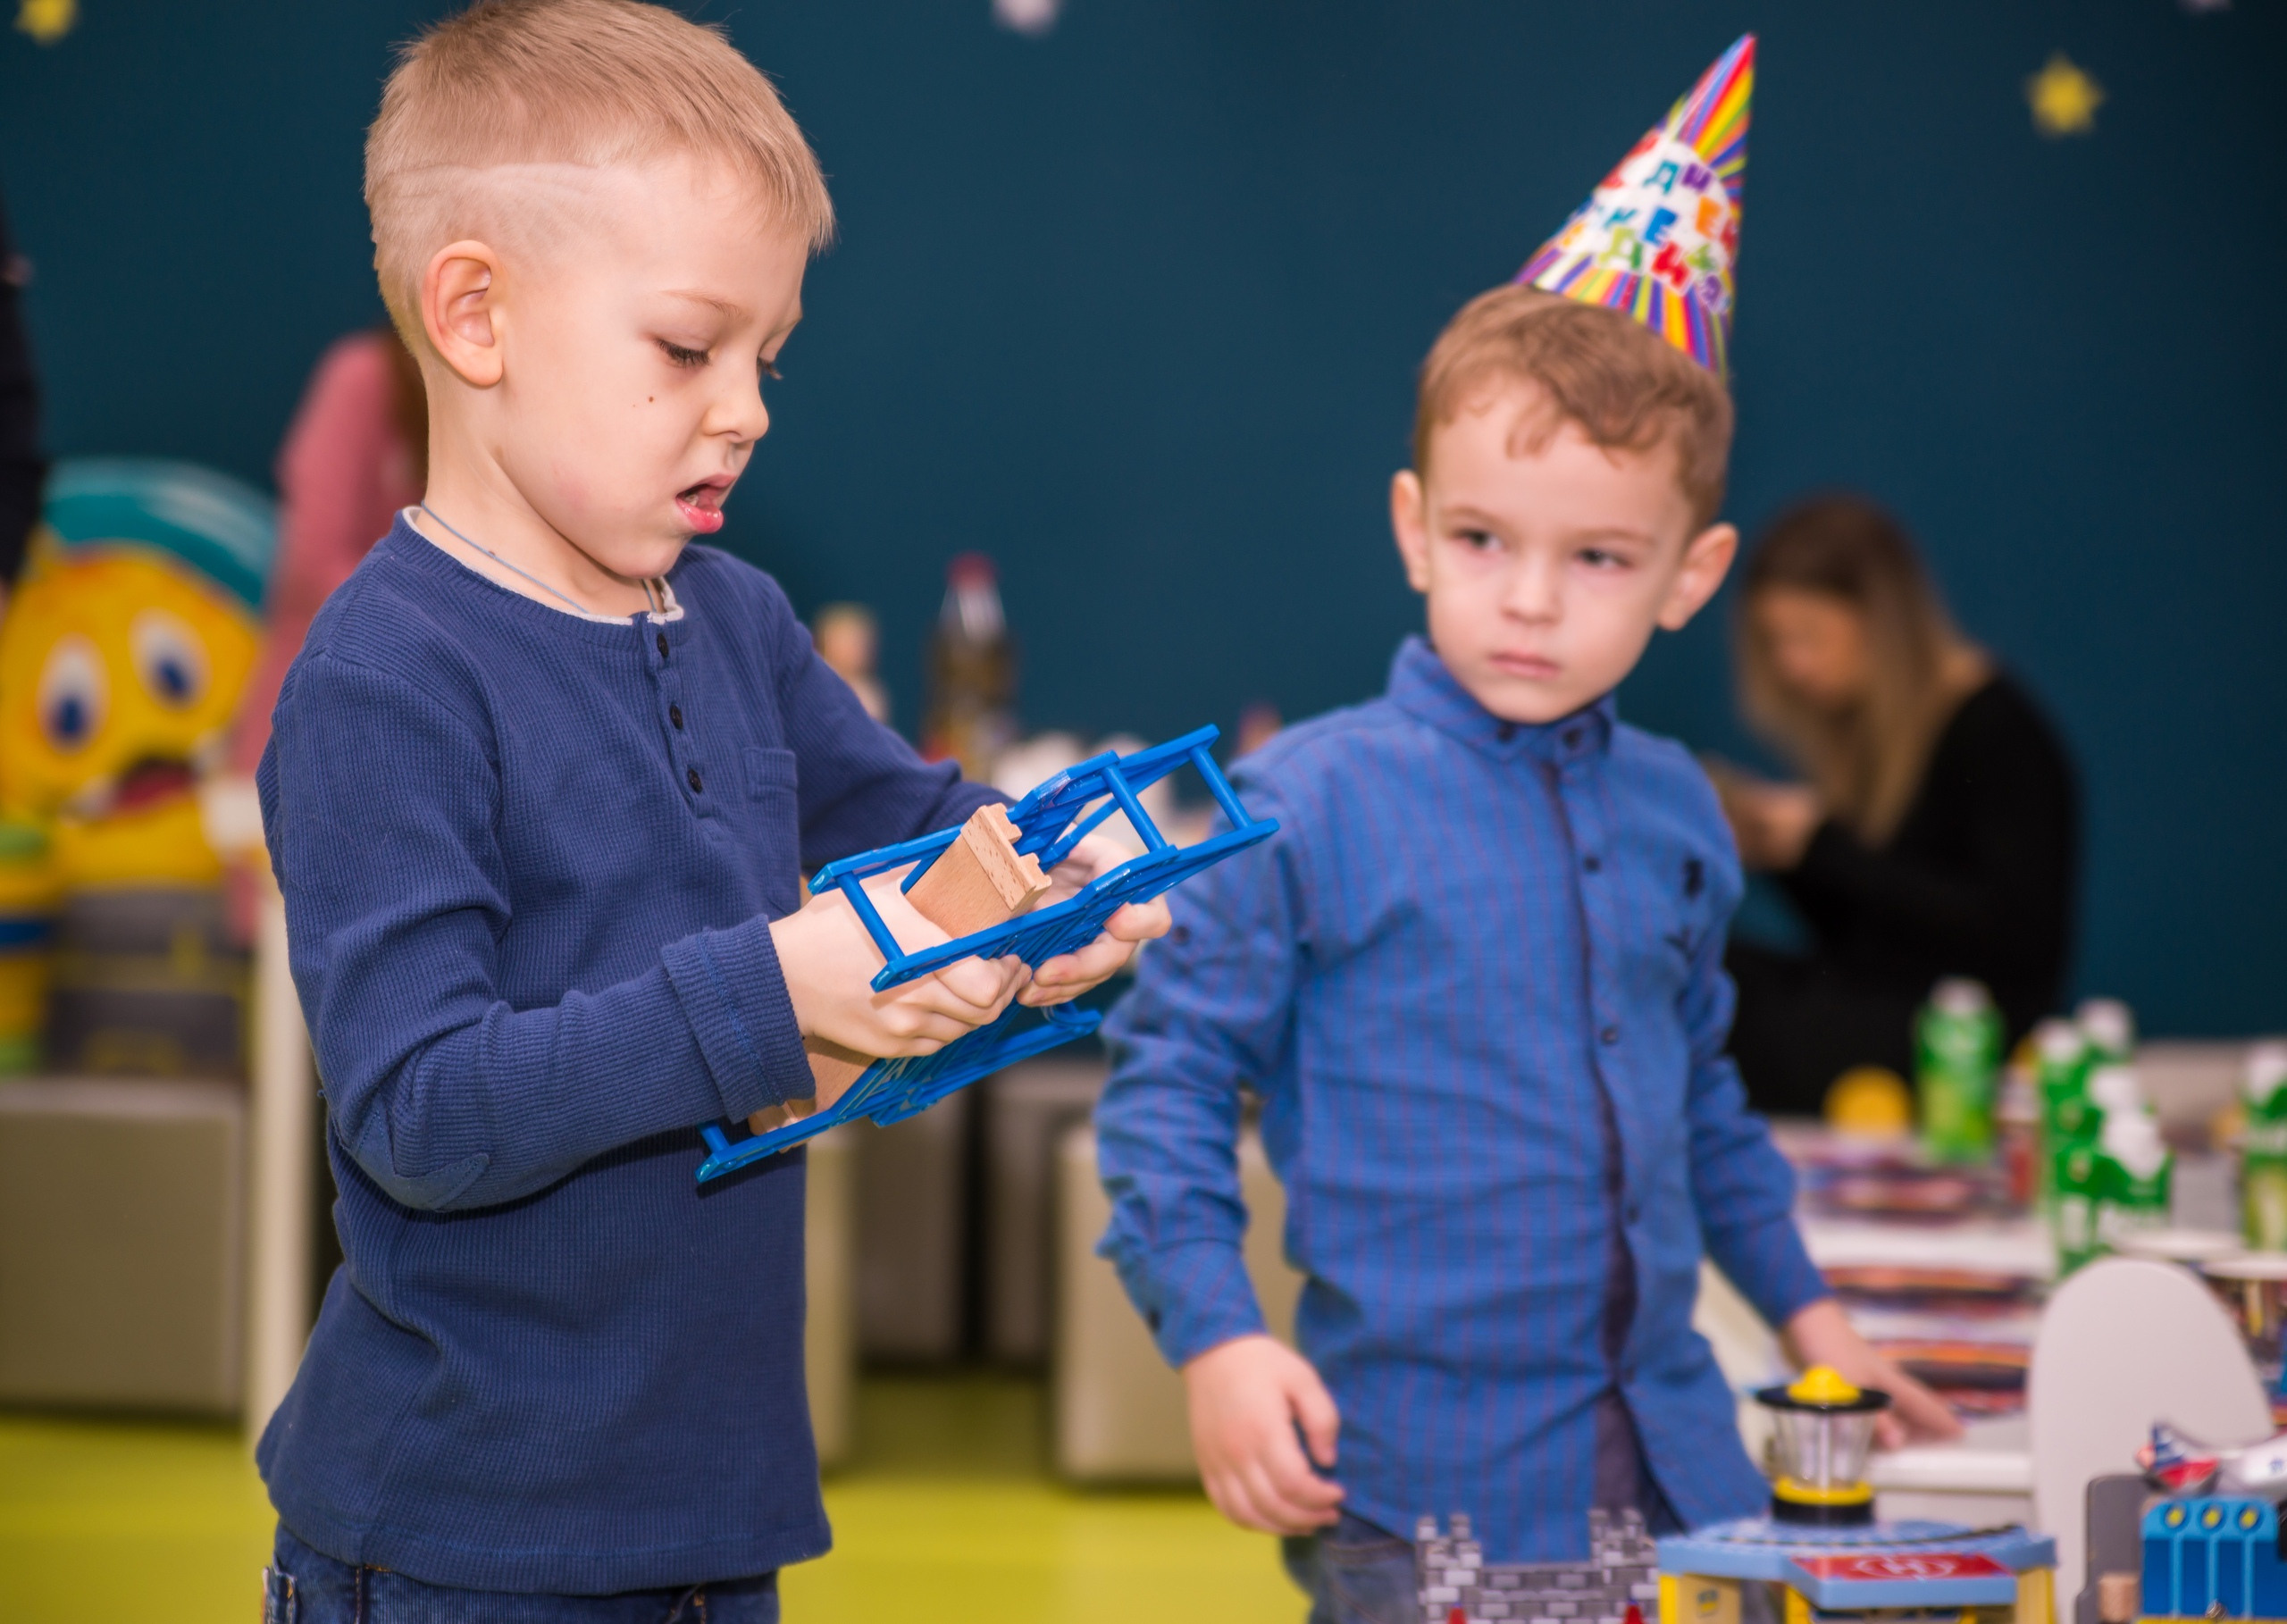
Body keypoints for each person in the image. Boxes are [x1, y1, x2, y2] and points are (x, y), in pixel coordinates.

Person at [251, 4, 1167, 1619]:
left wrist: (1066, 886)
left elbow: (923, 813)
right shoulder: (387, 678)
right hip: (460, 1533)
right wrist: (779, 986)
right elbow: (421, 1113)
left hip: (710, 1512)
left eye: (766, 357)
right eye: (688, 347)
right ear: (477, 314)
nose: (746, 406)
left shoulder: (733, 617)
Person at [1093, 38, 1956, 1624]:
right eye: (1485, 538)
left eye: (1601, 558)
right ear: (1417, 529)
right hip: (1426, 1495)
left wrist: (1814, 1317)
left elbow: (1703, 1100)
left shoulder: (1681, 812)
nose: (1534, 599)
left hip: (1690, 1474)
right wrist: (1216, 1335)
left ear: (1691, 579)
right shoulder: (1306, 806)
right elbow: (1163, 1097)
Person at [1715, 495, 2078, 1118]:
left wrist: (1825, 845)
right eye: (1776, 643)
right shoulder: (1870, 737)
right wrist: (1789, 856)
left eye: (1809, 638)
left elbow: (2012, 937)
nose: (1791, 665)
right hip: (1890, 1000)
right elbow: (1864, 941)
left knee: (1729, 1004)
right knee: (1704, 964)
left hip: (1967, 1035)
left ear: (1881, 624)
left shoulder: (1994, 726)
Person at [231, 326, 426, 773]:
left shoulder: (513, 398)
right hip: (313, 732)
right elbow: (313, 561)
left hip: (421, 744)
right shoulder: (364, 377)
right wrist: (445, 623)